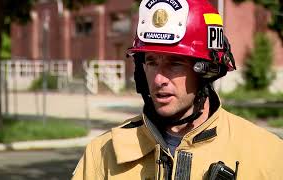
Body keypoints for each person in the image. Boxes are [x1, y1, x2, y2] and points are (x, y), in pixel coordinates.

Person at [72, 0, 283, 179]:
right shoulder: (102, 154)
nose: (159, 79)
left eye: (175, 63)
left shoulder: (267, 155)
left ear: (205, 71)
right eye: (152, 61)